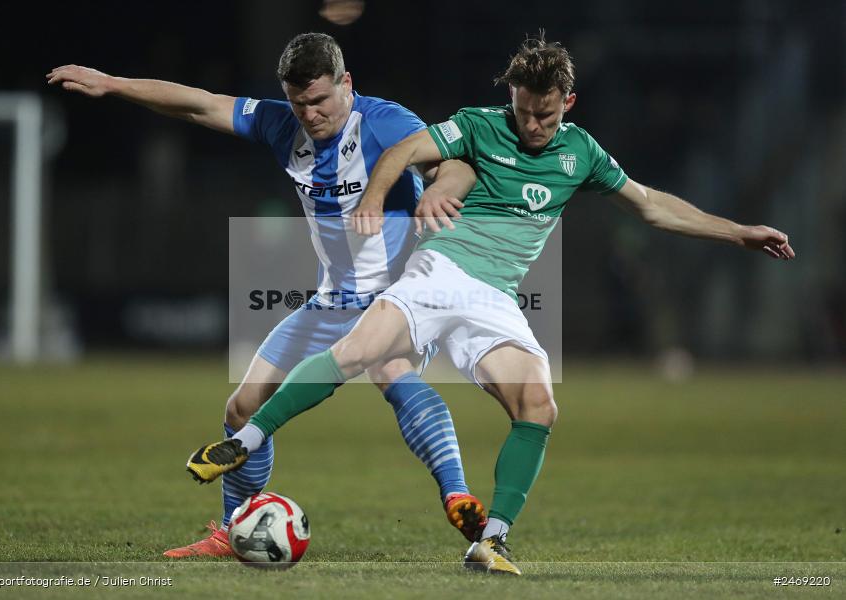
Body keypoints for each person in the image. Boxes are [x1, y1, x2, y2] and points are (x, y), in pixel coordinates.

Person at [190, 35, 796, 575]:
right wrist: (383, 195)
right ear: (511, 95)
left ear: (568, 104)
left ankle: (491, 541)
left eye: (546, 114)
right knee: (359, 351)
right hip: (439, 270)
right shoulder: (479, 124)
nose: (532, 124)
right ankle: (245, 442)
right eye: (524, 110)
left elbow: (652, 204)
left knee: (538, 400)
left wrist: (740, 231)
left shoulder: (581, 153)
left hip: (496, 299)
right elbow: (409, 152)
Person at [47, 32, 487, 558]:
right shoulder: (282, 123)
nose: (310, 113)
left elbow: (455, 159)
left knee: (391, 371)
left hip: (398, 297)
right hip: (330, 301)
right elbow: (199, 104)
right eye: (299, 102)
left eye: (320, 100)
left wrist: (440, 188)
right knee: (243, 404)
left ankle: (457, 494)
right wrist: (114, 85)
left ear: (347, 84)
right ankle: (234, 530)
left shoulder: (385, 121)